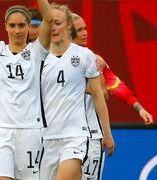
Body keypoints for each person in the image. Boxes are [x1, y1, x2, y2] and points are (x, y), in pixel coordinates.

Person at [0, 0, 53, 179]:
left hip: (30, 130)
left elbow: (49, 19)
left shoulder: (37, 51)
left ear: (29, 26)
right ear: (5, 26)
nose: (17, 30)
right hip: (0, 130)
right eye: (12, 25)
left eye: (22, 25)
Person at [71, 13, 154, 180]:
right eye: (79, 30)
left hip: (91, 135)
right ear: (68, 31)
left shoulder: (94, 60)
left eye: (85, 28)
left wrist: (138, 108)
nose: (85, 33)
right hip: (61, 135)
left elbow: (114, 85)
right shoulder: (50, 59)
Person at [40, 3, 115, 180]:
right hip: (46, 138)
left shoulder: (84, 55)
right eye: (49, 22)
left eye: (57, 22)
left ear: (68, 25)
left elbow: (99, 94)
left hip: (76, 137)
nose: (53, 27)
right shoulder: (39, 56)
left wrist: (107, 132)